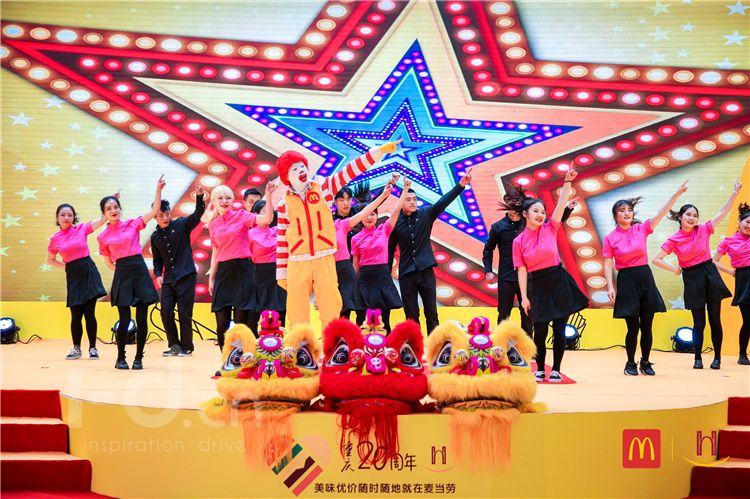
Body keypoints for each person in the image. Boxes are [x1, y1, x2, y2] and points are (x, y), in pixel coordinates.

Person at [275, 140, 401, 328]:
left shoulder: (323, 188)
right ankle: (299, 343)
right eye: (294, 169)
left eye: (302, 166)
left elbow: (350, 170)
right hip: (297, 260)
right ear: (286, 177)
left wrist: (378, 152)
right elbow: (282, 239)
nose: (301, 171)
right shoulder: (283, 204)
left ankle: (332, 344)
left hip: (324, 257)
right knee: (297, 309)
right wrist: (282, 272)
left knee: (330, 306)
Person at [652, 179, 741, 370]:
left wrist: (734, 193)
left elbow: (723, 212)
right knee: (698, 322)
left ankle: (717, 358)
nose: (692, 218)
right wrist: (675, 269)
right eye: (688, 214)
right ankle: (698, 358)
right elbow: (656, 259)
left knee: (715, 319)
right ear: (680, 217)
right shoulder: (674, 239)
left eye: (695, 215)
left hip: (710, 274)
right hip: (692, 279)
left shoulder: (703, 229)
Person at [602, 181, 688, 376]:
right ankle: (630, 363)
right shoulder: (610, 238)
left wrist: (677, 193)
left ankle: (646, 362)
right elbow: (607, 264)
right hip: (626, 280)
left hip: (644, 277)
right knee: (633, 327)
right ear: (615, 215)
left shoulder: (641, 229)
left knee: (647, 326)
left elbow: (661, 211)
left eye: (629, 210)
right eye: (622, 210)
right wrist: (610, 286)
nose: (627, 213)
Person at [513, 169, 589, 383]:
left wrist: (567, 181)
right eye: (535, 211)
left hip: (558, 282)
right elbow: (521, 270)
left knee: (559, 329)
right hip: (537, 286)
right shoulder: (518, 241)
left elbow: (561, 204)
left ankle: (556, 369)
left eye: (542, 211)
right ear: (525, 214)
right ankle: (539, 368)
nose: (540, 215)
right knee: (539, 331)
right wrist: (524, 297)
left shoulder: (550, 228)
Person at [388, 169, 473, 334]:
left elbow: (443, 202)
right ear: (401, 202)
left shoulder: (426, 214)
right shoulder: (395, 222)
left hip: (426, 270)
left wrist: (461, 185)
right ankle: (415, 346)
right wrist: (386, 274)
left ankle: (435, 346)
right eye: (408, 199)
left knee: (431, 313)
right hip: (406, 274)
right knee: (411, 315)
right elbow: (390, 250)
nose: (413, 202)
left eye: (415, 199)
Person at [483, 187, 576, 331]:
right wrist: (488, 271)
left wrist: (568, 209)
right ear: (506, 203)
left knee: (528, 314)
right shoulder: (498, 227)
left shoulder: (530, 223)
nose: (515, 205)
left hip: (529, 277)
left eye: (518, 202)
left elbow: (552, 223)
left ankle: (527, 345)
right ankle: (501, 342)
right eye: (511, 202)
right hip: (507, 277)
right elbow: (488, 249)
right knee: (503, 313)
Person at [97, 175, 165, 370]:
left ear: (120, 208)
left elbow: (154, 211)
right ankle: (120, 358)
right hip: (123, 275)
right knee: (124, 319)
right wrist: (120, 271)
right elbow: (109, 262)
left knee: (142, 318)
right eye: (108, 209)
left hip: (139, 271)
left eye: (115, 207)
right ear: (104, 213)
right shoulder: (102, 236)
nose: (113, 211)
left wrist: (158, 189)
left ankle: (138, 358)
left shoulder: (132, 224)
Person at [204, 184, 273, 347]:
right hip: (223, 273)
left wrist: (268, 195)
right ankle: (225, 359)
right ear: (214, 201)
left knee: (241, 324)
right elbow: (215, 251)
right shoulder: (213, 224)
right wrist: (212, 277)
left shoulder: (242, 216)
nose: (224, 201)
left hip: (242, 272)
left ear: (233, 200)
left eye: (228, 198)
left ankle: (241, 357)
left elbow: (267, 220)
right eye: (220, 198)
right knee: (221, 324)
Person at [47, 204, 108, 360]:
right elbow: (50, 260)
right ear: (57, 218)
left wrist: (107, 205)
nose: (66, 218)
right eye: (63, 215)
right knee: (75, 315)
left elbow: (102, 220)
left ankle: (93, 348)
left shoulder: (82, 228)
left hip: (88, 272)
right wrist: (66, 266)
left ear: (74, 217)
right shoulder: (55, 238)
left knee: (89, 313)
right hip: (73, 276)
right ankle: (76, 348)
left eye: (70, 215)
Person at [150, 186, 205, 357]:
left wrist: (199, 196)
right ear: (155, 217)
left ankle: (186, 347)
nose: (165, 218)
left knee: (184, 313)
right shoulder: (155, 237)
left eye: (167, 213)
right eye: (161, 215)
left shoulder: (181, 224)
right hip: (168, 280)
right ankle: (174, 345)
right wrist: (158, 274)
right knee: (165, 312)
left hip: (186, 275)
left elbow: (197, 215)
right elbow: (157, 260)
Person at [351, 177, 409, 333]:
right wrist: (353, 287)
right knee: (362, 320)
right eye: (366, 214)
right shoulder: (355, 238)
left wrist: (404, 190)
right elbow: (355, 265)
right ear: (360, 217)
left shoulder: (384, 229)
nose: (369, 217)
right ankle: (361, 347)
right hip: (365, 279)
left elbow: (396, 210)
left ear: (377, 216)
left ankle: (386, 347)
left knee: (384, 320)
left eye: (373, 214)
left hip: (382, 276)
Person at [713, 203, 750, 366]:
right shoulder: (729, 241)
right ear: (739, 221)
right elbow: (714, 261)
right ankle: (742, 354)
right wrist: (731, 272)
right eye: (747, 222)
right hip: (744, 279)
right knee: (748, 320)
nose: (749, 226)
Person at [248, 199, 287, 327]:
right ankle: (258, 337)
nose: (268, 214)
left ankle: (279, 336)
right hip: (260, 275)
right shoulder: (250, 234)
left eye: (270, 211)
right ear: (256, 214)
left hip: (279, 273)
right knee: (260, 310)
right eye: (264, 211)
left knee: (281, 308)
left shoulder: (277, 230)